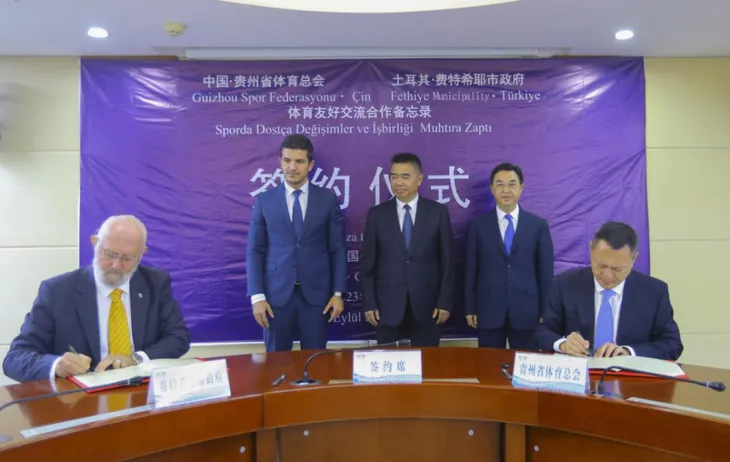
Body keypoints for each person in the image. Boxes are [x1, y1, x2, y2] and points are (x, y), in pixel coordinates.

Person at [3, 215, 191, 383]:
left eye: (127, 258)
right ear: (95, 243)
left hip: (141, 394)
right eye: (109, 254)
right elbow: (15, 359)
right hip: (80, 401)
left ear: (142, 254)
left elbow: (178, 337)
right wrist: (58, 365)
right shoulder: (57, 291)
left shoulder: (155, 283)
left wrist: (136, 359)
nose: (116, 265)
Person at [247, 134, 348, 352]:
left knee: (316, 362)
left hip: (317, 297)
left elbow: (338, 249)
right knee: (276, 364)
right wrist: (257, 296)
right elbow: (255, 251)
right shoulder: (264, 200)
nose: (292, 167)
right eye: (287, 160)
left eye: (299, 161)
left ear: (310, 165)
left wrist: (338, 293)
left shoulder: (327, 199)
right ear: (280, 162)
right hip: (275, 297)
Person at [536, 221, 683, 360]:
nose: (607, 276)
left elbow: (672, 344)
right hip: (579, 373)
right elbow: (543, 332)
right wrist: (563, 344)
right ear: (591, 249)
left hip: (629, 375)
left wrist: (628, 352)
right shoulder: (565, 284)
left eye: (617, 269)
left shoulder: (653, 292)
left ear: (634, 259)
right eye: (601, 265)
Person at [361, 152, 455, 346]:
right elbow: (368, 264)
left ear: (419, 179)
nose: (398, 182)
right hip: (387, 306)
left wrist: (444, 302)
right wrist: (370, 303)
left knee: (427, 361)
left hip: (427, 305)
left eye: (405, 176)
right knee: (389, 362)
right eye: (393, 176)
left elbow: (447, 262)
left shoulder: (437, 212)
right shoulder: (377, 215)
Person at [464, 163, 554, 350]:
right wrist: (470, 308)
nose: (506, 190)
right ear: (492, 189)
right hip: (488, 309)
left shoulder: (538, 226)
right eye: (500, 184)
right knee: (489, 364)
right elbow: (470, 270)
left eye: (512, 184)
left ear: (521, 187)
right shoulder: (477, 226)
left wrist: (545, 310)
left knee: (524, 364)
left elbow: (545, 273)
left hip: (527, 311)